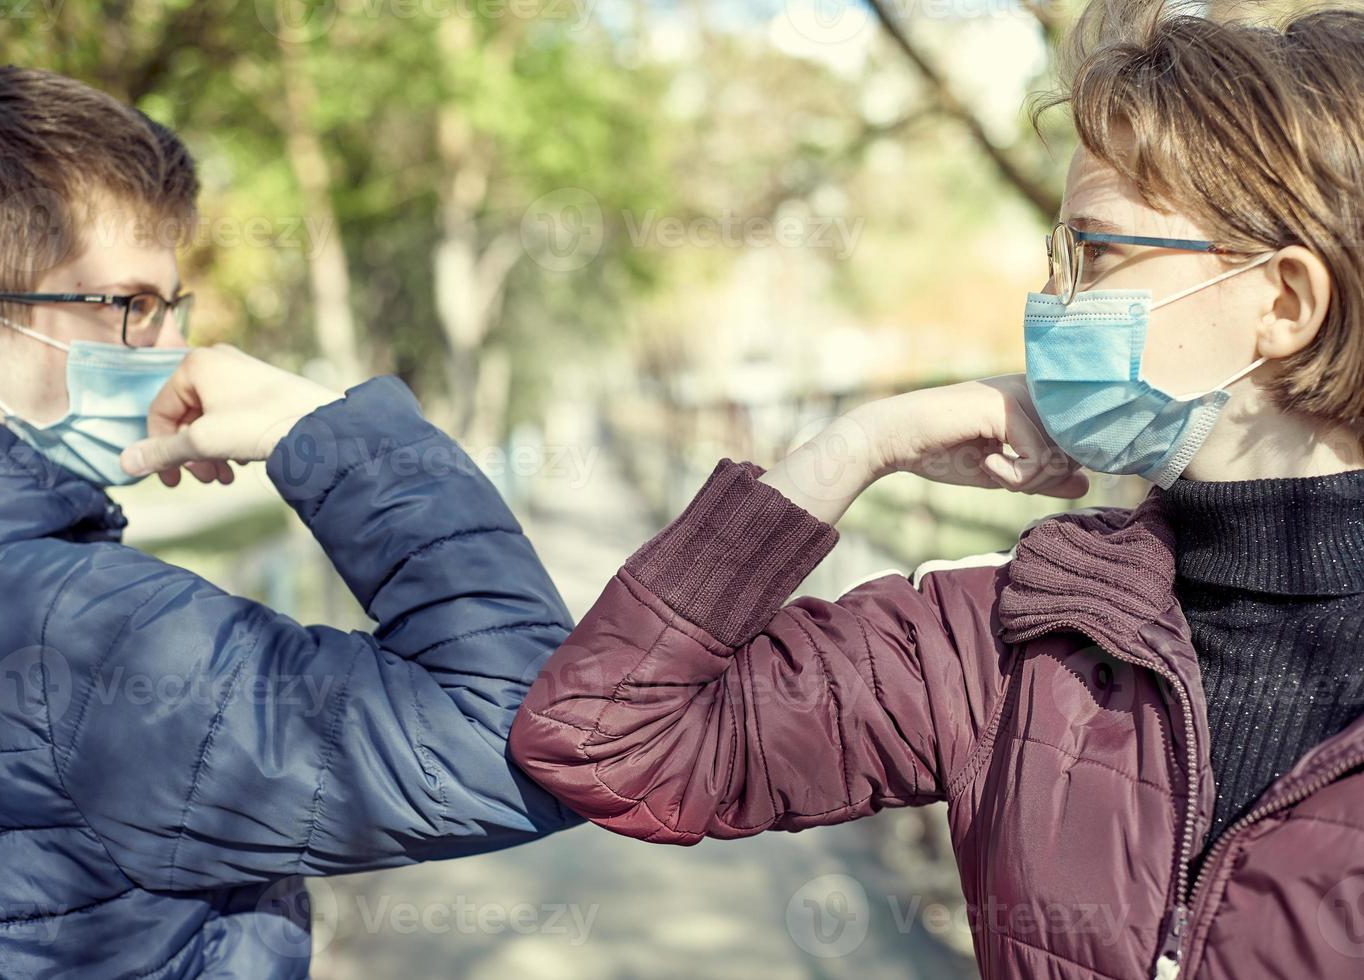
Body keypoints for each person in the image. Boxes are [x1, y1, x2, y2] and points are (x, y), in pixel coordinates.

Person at [509, 2, 1364, 977]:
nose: (1054, 301)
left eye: (1098, 253)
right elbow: (603, 739)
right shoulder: (1012, 635)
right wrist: (858, 444)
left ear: (1284, 301)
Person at [0, 67, 579, 978]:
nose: (171, 349)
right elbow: (536, 731)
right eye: (129, 306)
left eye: (172, 308)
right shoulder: (79, 633)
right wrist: (326, 432)